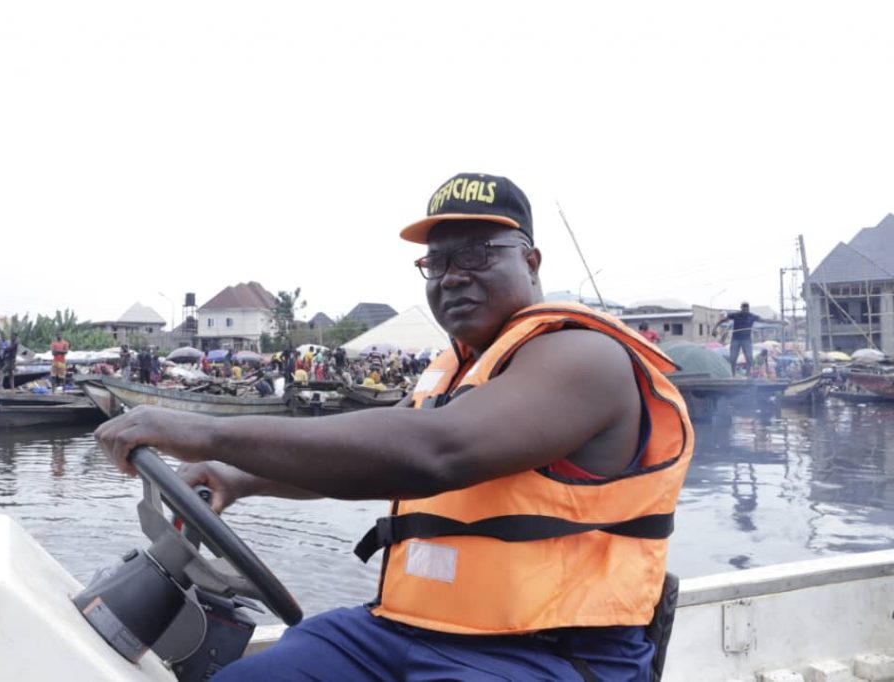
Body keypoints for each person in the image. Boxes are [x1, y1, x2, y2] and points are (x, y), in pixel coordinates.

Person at [96, 172, 694, 681]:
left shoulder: (583, 357)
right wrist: (241, 477)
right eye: (436, 262)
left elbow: (435, 452)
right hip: (400, 633)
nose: (452, 276)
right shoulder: (457, 372)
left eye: (478, 253)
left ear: (531, 261)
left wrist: (205, 430)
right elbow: (372, 456)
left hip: (543, 654)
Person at [713, 302, 761, 377]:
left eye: (746, 309)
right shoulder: (735, 315)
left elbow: (766, 320)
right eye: (743, 308)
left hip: (746, 340)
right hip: (736, 340)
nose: (745, 310)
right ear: (741, 308)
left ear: (748, 309)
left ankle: (748, 375)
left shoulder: (752, 316)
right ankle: (733, 375)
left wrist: (780, 322)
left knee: (749, 358)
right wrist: (714, 328)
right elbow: (722, 320)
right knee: (733, 358)